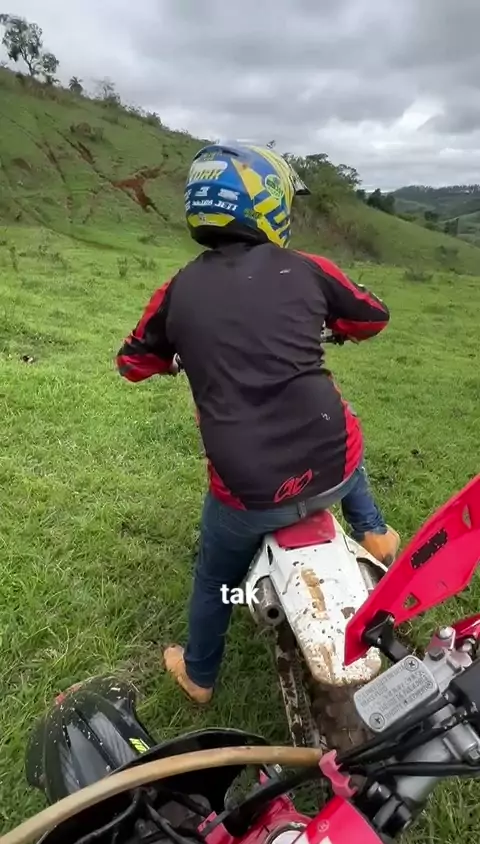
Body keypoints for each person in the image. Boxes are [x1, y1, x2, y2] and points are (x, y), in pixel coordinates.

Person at [117, 142, 400, 705]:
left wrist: (175, 358)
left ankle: (199, 675)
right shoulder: (309, 268)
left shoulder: (177, 289)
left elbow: (132, 363)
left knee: (213, 580)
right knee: (340, 422)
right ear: (267, 205)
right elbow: (372, 318)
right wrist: (331, 327)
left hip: (248, 493)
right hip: (335, 468)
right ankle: (371, 528)